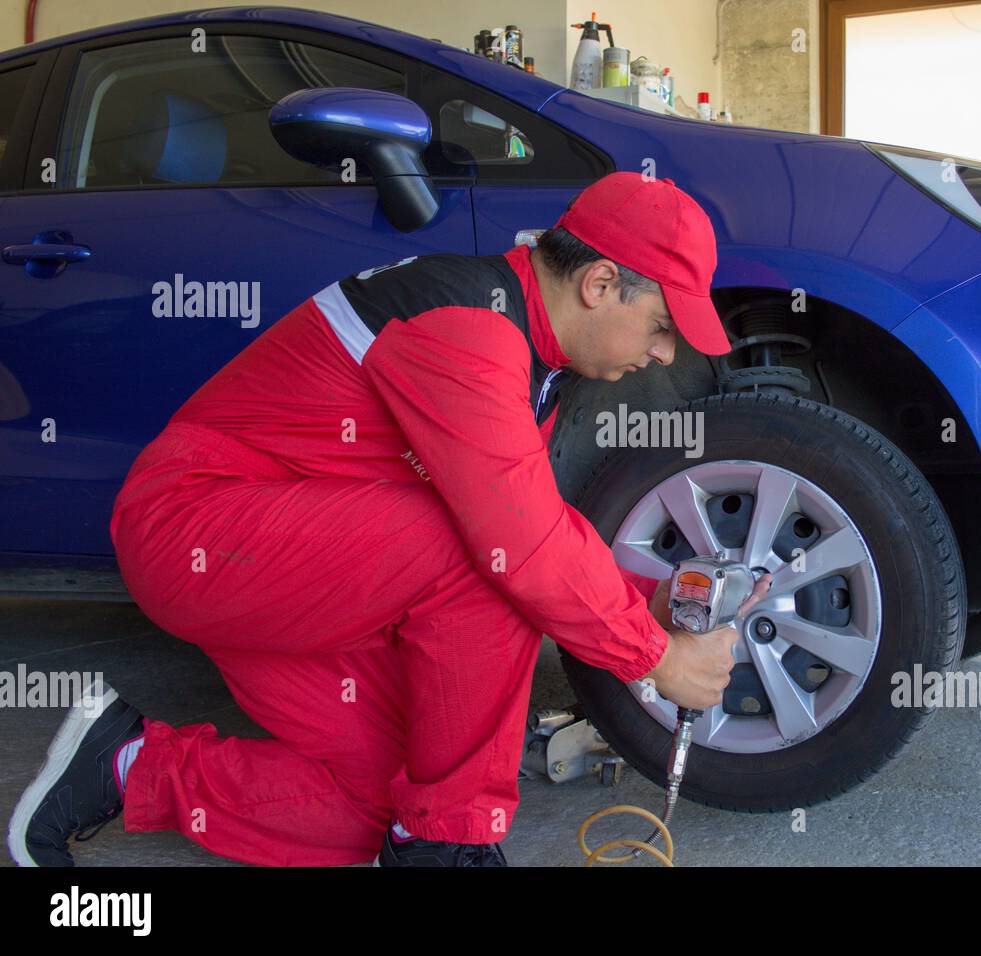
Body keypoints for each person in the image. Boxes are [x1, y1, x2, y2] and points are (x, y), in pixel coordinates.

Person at [7, 171, 771, 868]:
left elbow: (534, 523)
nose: (666, 355)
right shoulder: (468, 324)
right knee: (485, 559)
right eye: (663, 325)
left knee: (387, 799)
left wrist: (645, 604)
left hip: (289, 566)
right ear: (602, 283)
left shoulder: (524, 355)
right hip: (196, 529)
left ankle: (126, 765)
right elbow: (519, 544)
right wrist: (652, 656)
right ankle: (446, 847)